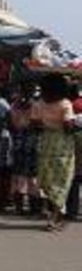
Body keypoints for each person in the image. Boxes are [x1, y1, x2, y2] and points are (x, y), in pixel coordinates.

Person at [34, 73, 76, 231]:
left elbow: (35, 125)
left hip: (45, 143)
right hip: (62, 144)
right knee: (62, 181)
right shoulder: (65, 104)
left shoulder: (39, 104)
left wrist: (47, 124)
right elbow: (68, 126)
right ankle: (55, 217)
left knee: (49, 180)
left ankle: (52, 214)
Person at [11, 85, 41, 215]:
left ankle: (21, 208)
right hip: (29, 144)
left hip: (21, 144)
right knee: (30, 175)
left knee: (21, 175)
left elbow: (12, 125)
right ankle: (32, 208)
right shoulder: (36, 107)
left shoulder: (14, 108)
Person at [64, 85, 82, 221]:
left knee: (74, 179)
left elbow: (68, 125)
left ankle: (72, 211)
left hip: (74, 143)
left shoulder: (70, 104)